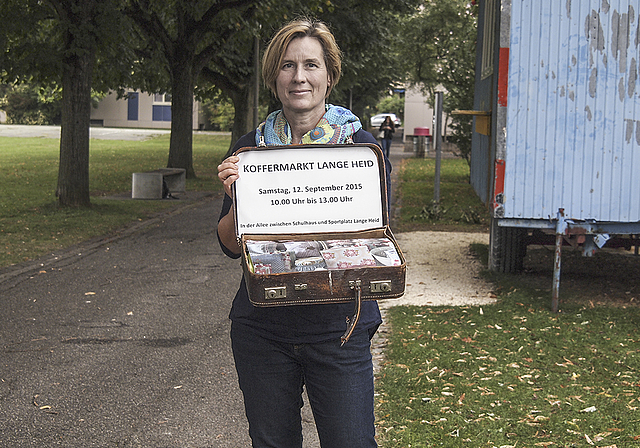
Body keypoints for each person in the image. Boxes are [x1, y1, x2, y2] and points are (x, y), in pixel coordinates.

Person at [216, 18, 391, 448]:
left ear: (329, 77)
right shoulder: (249, 149)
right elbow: (227, 244)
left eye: (311, 65)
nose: (299, 77)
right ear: (274, 77)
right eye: (287, 65)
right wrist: (239, 201)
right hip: (263, 328)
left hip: (339, 328)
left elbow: (377, 235)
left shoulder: (361, 149)